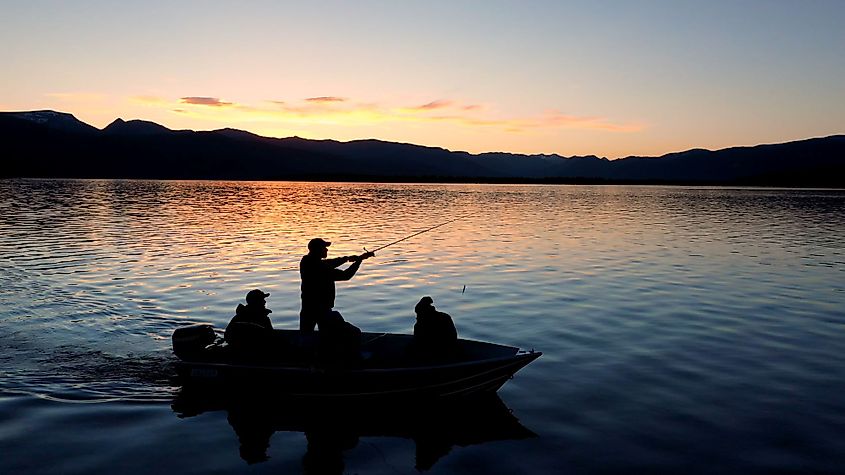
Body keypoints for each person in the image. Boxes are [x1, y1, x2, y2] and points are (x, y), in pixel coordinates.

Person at [299, 238, 373, 332]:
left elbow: (330, 262)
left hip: (307, 308)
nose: (326, 249)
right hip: (322, 310)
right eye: (324, 248)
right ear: (317, 250)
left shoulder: (306, 261)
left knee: (306, 336)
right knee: (352, 332)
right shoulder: (321, 268)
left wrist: (347, 258)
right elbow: (346, 275)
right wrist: (359, 261)